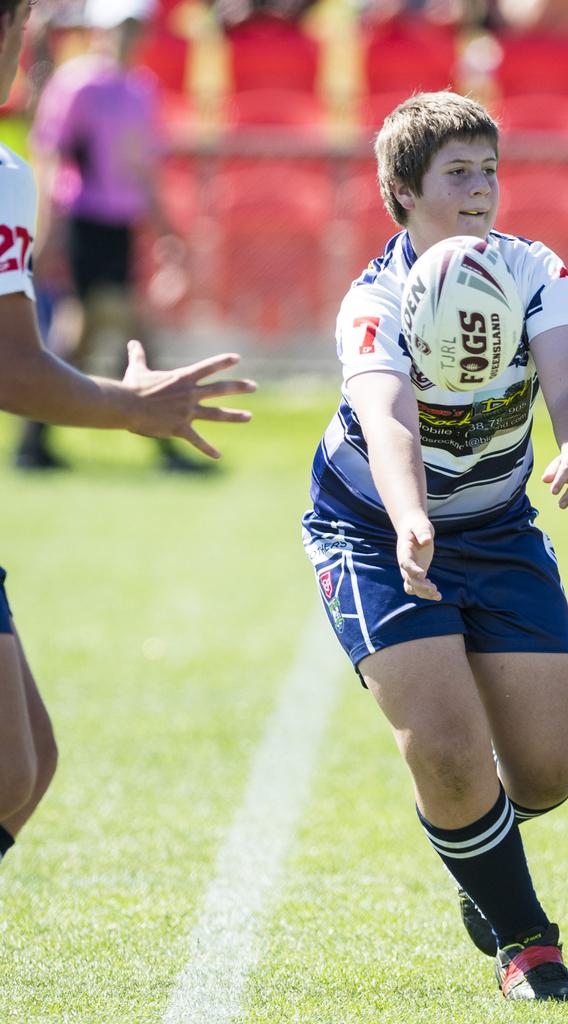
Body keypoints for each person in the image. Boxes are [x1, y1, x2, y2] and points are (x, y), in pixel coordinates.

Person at [302, 91, 568, 1003]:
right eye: (458, 173)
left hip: (499, 525)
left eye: (490, 170)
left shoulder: (532, 268)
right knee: (444, 746)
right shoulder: (375, 298)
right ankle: (527, 942)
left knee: (548, 772)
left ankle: (480, 850)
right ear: (402, 190)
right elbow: (387, 418)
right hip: (373, 529)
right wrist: (407, 514)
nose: (482, 191)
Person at [0, 0, 256, 864]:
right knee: (12, 771)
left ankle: (44, 439)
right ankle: (45, 438)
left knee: (26, 769)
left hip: (111, 220)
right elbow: (11, 367)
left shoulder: (135, 95)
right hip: (88, 221)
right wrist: (133, 407)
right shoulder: (31, 139)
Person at [15, 1, 208, 471]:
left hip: (120, 227)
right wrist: (50, 230)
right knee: (126, 326)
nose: (126, 38)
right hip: (85, 222)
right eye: (119, 28)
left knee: (80, 329)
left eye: (134, 28)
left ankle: (32, 441)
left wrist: (165, 230)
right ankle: (163, 435)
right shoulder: (78, 83)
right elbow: (55, 158)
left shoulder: (141, 90)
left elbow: (142, 171)